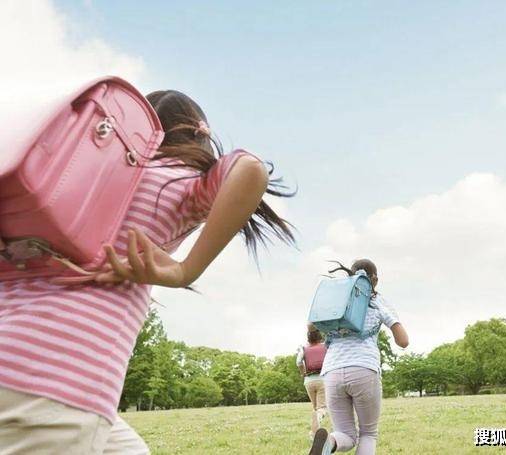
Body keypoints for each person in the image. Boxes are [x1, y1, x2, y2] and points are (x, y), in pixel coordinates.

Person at [0, 89, 295, 454]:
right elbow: (250, 169)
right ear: (198, 135)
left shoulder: (70, 174)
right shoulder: (181, 180)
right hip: (61, 380)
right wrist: (185, 271)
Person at [309, 259, 409, 455]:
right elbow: (403, 341)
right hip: (364, 368)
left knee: (344, 433)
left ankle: (329, 442)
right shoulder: (377, 302)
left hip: (332, 372)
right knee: (368, 433)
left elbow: (312, 326)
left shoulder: (337, 300)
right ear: (375, 280)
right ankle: (328, 443)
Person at [297, 323, 328, 440]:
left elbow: (298, 362)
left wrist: (303, 372)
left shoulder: (303, 349)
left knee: (315, 409)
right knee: (322, 408)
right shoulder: (325, 346)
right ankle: (314, 430)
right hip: (322, 379)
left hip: (309, 381)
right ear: (319, 335)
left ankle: (314, 434)